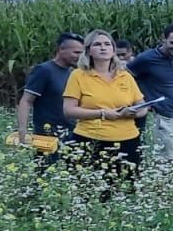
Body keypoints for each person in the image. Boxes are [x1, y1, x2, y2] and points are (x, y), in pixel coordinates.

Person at [62, 30, 147, 189]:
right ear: (88, 50)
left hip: (128, 141)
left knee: (128, 190)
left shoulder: (124, 76)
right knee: (93, 191)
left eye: (107, 44)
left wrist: (135, 112)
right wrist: (102, 114)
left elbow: (142, 105)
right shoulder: (78, 75)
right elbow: (69, 110)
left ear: (113, 50)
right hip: (91, 140)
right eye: (97, 44)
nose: (103, 48)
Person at [127, 24, 173, 168]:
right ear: (163, 39)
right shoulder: (146, 59)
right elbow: (127, 77)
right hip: (165, 119)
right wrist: (141, 100)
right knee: (165, 164)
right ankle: (164, 189)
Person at [15, 32, 83, 161]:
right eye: (76, 52)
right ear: (61, 50)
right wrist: (22, 132)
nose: (80, 57)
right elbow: (26, 101)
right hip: (46, 137)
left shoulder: (73, 74)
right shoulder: (44, 70)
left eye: (82, 53)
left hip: (71, 134)